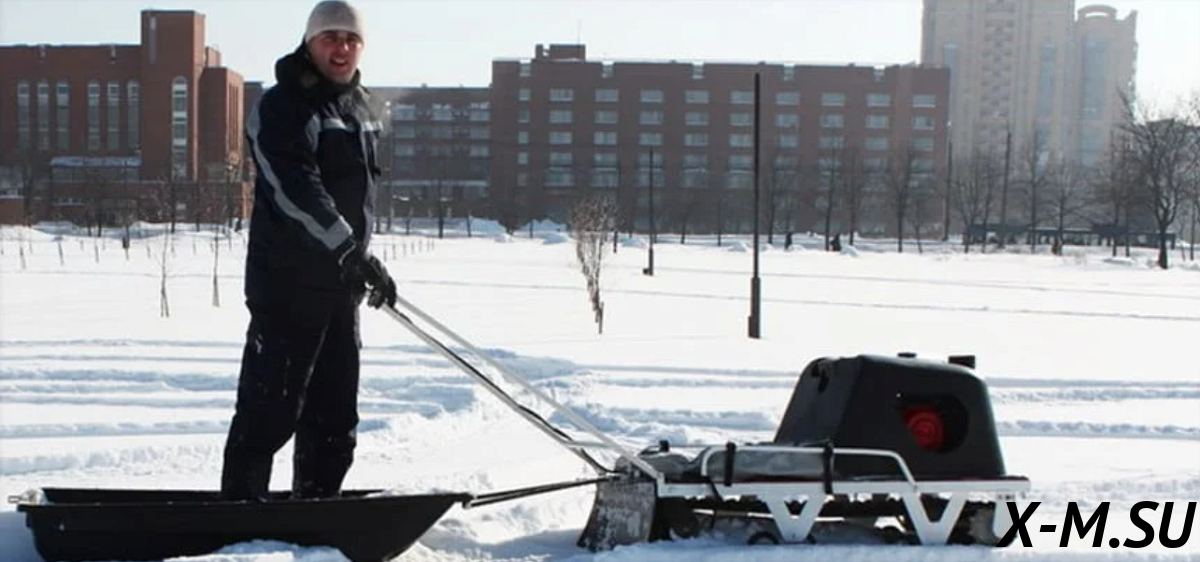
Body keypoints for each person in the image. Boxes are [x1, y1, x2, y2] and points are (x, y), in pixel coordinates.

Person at [221, 0, 397, 501]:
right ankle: (239, 509)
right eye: (330, 38)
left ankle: (317, 507)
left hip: (340, 286)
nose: (341, 48)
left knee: (335, 415)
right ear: (309, 43)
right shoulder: (283, 106)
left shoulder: (360, 109)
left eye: (351, 39)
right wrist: (347, 247)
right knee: (270, 407)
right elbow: (295, 186)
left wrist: (364, 260)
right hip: (287, 283)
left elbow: (358, 197)